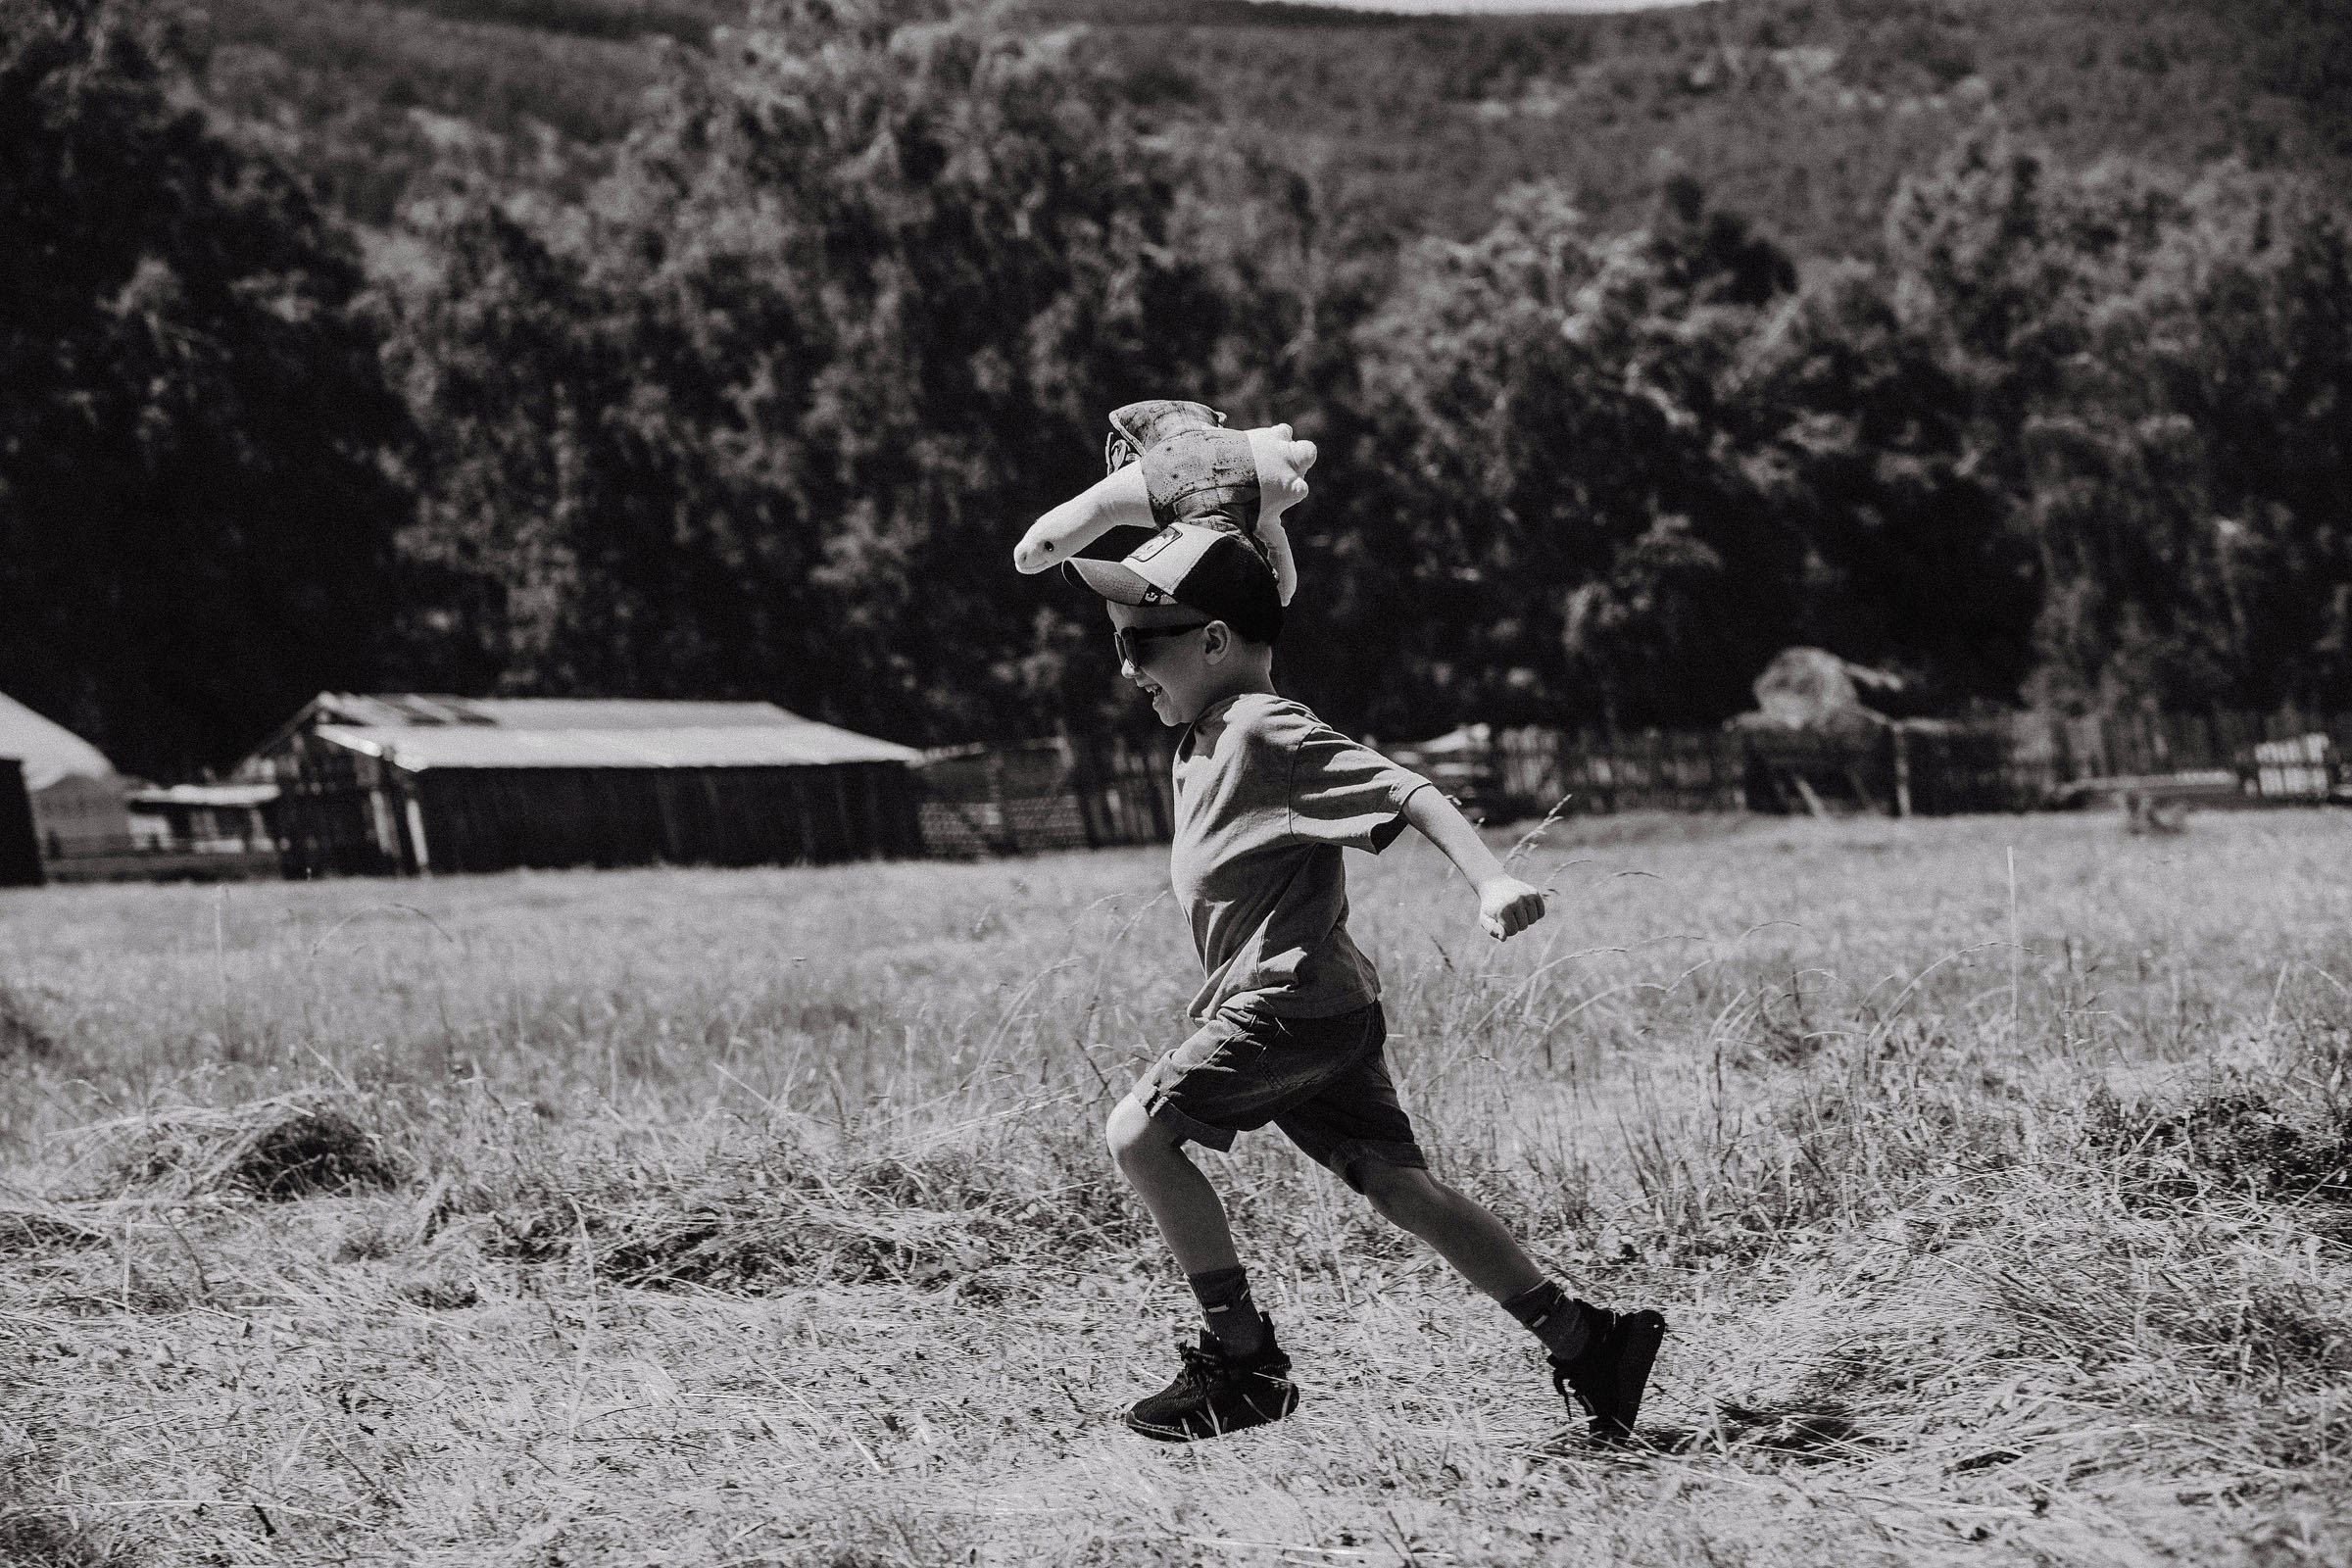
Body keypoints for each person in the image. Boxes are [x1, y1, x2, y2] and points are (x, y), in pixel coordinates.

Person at [1055, 504, 1668, 1446]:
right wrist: (1245, 528)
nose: (1128, 670)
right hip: (1327, 1008)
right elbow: (1267, 601)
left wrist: (1491, 876)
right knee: (1402, 1190)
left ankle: (1243, 1362)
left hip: (1291, 1002)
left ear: (1213, 640)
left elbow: (1405, 788)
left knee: (1137, 1133)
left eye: (1142, 645)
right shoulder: (1216, 721)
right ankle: (1588, 1341)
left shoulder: (1263, 728)